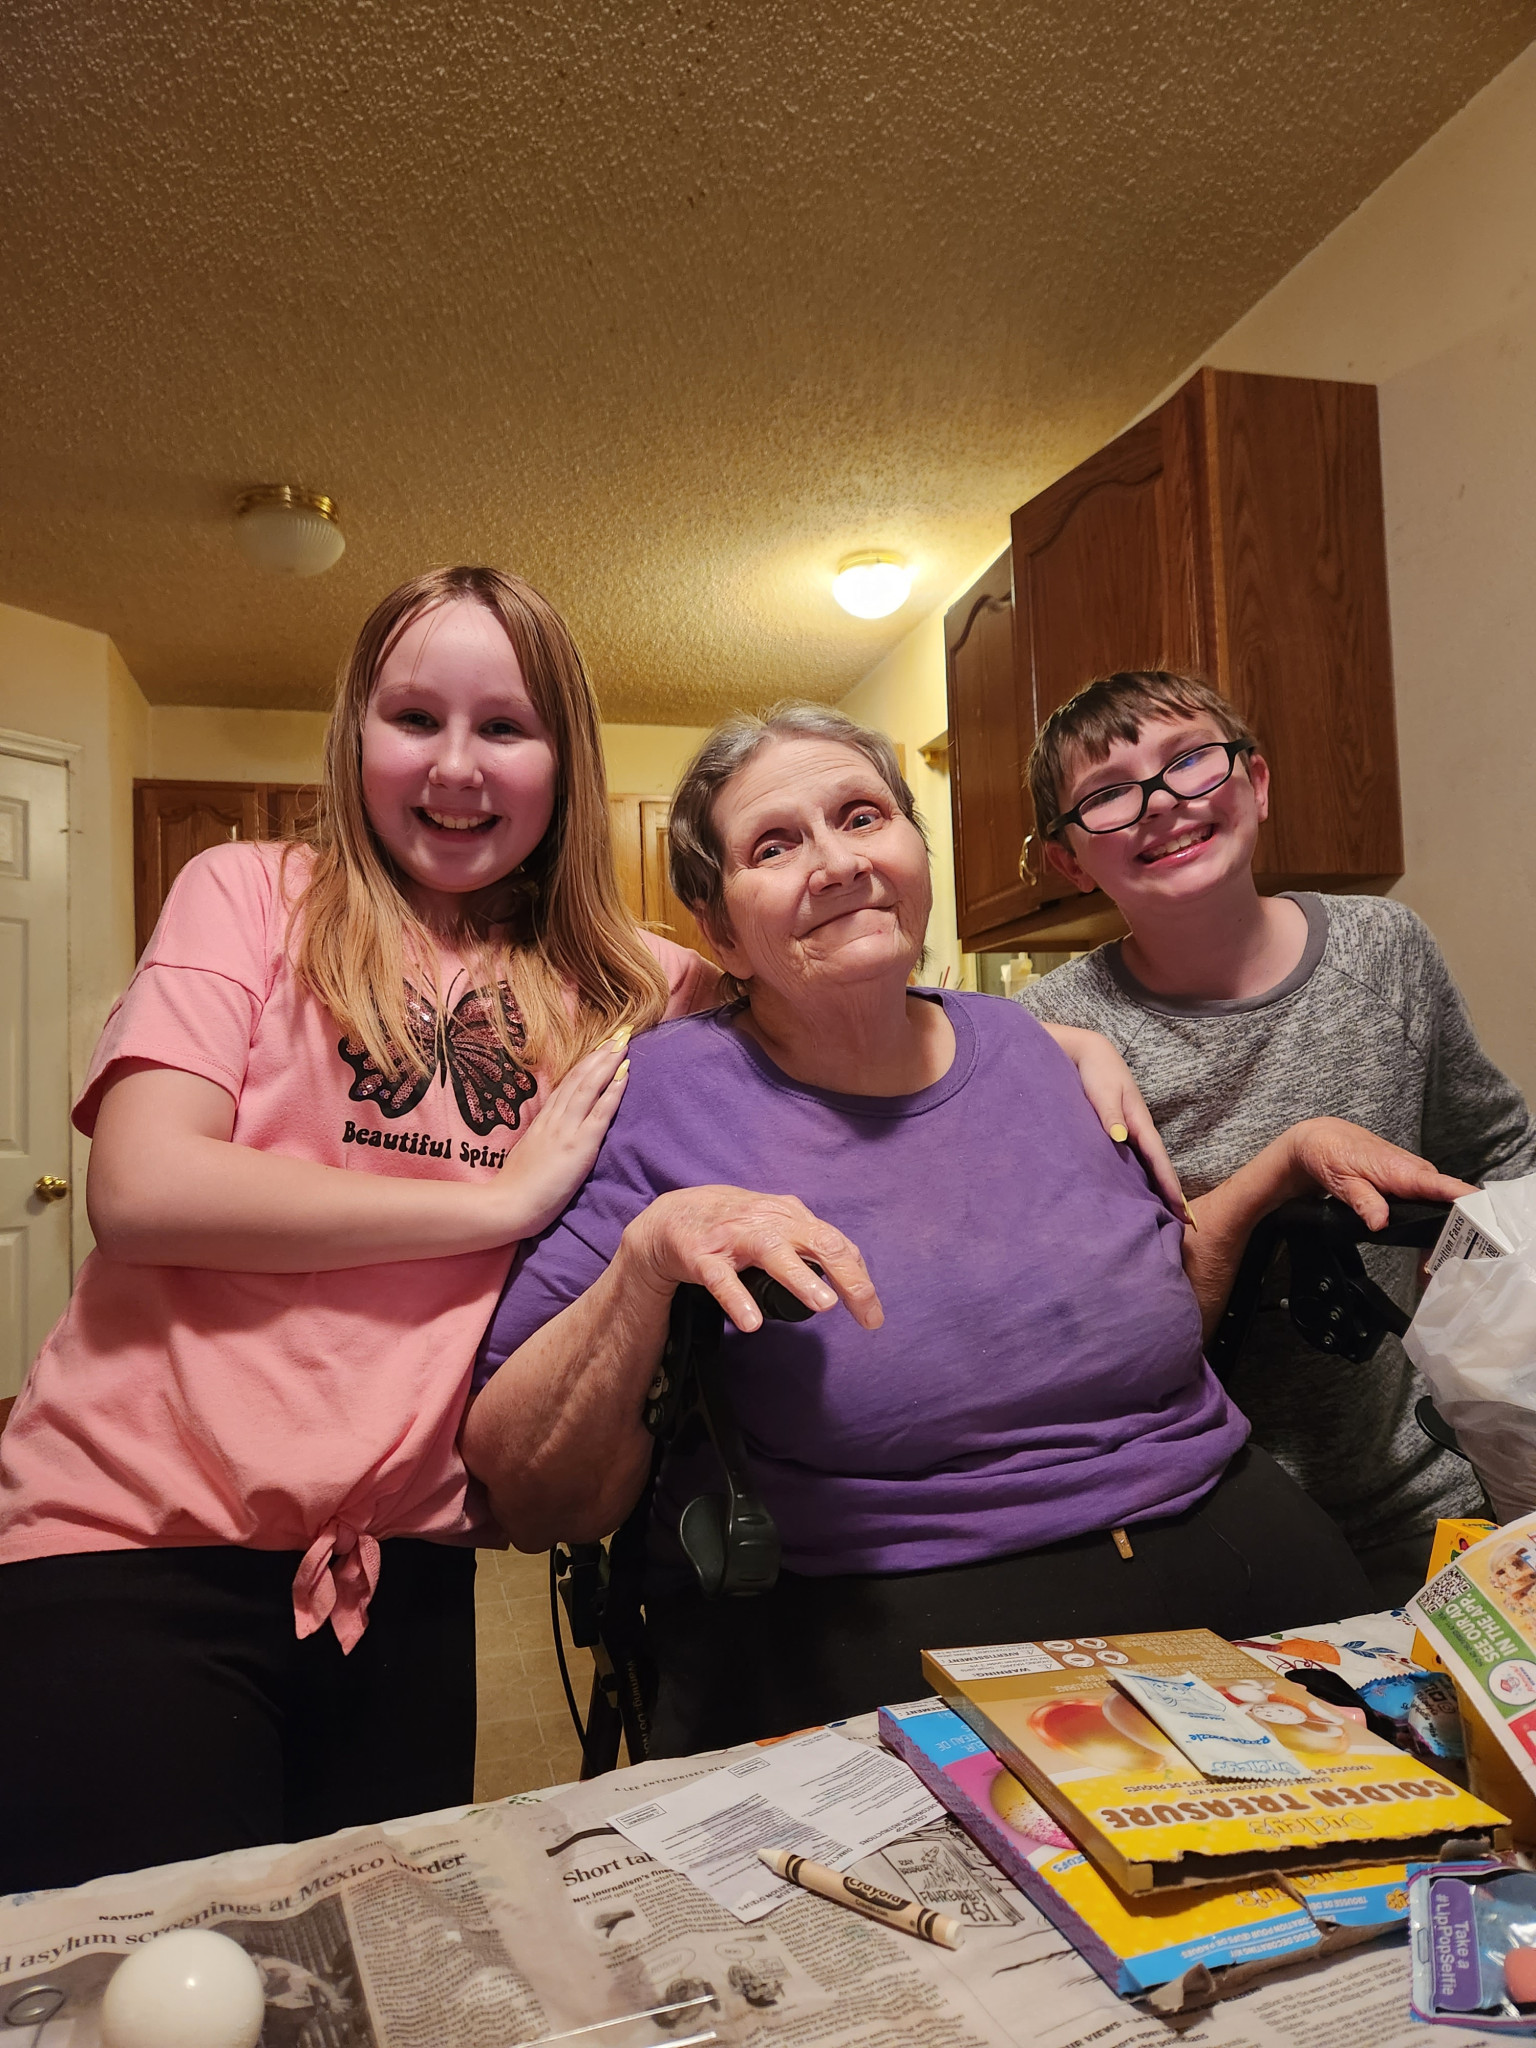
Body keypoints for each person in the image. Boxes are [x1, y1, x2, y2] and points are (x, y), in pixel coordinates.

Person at [463, 702, 1465, 1753]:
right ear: (720, 933)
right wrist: (646, 1258)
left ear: (917, 852)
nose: (838, 862)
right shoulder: (664, 1094)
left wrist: (1279, 1164)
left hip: (1229, 1541)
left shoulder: (1031, 1044)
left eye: (863, 816)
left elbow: (1159, 1310)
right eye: (775, 845)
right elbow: (530, 1495)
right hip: (886, 1605)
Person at [0, 564, 721, 1892]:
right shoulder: (250, 892)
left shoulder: (632, 980)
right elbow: (144, 1187)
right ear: (356, 734)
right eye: (415, 718)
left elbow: (840, 1010)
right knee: (151, 1981)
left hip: (400, 1574)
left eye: (505, 726)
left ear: (564, 758)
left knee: (368, 1976)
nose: (456, 766)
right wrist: (496, 1201)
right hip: (133, 1545)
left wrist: (1051, 1038)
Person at [1018, 669, 1536, 1603]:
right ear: (1068, 861)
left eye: (1189, 762)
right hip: (1196, 1523)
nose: (1160, 802)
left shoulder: (1386, 949)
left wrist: (1478, 1289)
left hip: (1429, 1490)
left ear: (1255, 782)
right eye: (1107, 795)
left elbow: (1500, 1149)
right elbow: (1092, 1327)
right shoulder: (1051, 1035)